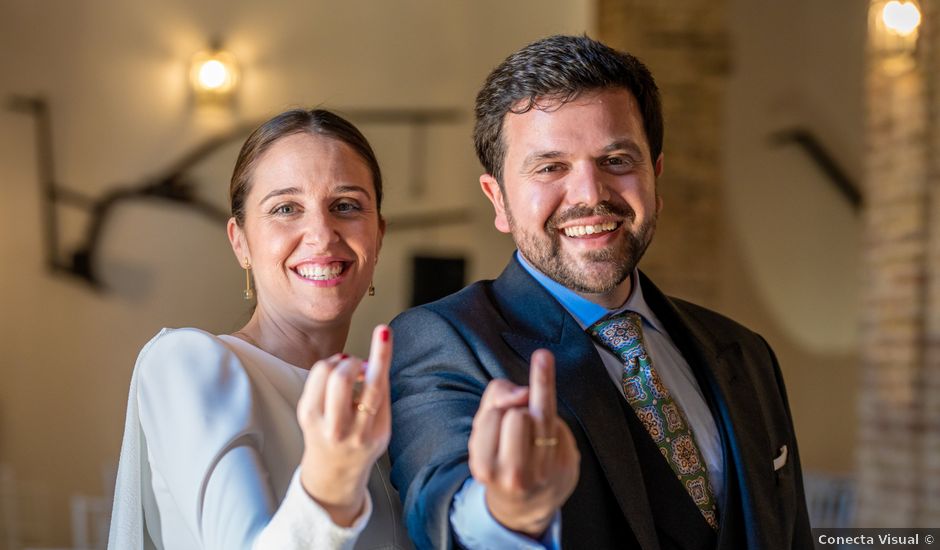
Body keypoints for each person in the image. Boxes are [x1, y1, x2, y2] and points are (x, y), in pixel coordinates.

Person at [388, 35, 814, 549]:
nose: (590, 194)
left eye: (616, 160)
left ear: (655, 176)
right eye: (550, 167)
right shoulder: (440, 340)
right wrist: (506, 510)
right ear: (497, 198)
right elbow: (440, 507)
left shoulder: (746, 352)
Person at [109, 109, 412, 549]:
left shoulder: (391, 400)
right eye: (286, 208)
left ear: (378, 237)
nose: (321, 234)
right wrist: (331, 486)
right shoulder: (188, 363)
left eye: (345, 206)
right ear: (241, 242)